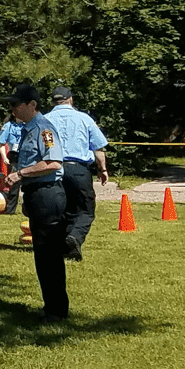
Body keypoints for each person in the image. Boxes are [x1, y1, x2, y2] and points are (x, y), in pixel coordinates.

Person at [1, 84, 69, 322]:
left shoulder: (43, 129)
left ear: (32, 105)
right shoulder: (27, 130)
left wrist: (21, 174)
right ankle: (51, 307)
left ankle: (56, 310)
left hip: (47, 194)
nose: (13, 109)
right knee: (42, 254)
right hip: (37, 194)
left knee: (49, 255)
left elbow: (53, 163)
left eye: (17, 104)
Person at [42, 85, 112, 260]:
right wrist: (102, 169)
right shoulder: (84, 119)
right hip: (78, 170)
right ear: (70, 99)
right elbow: (98, 147)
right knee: (85, 209)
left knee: (61, 209)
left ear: (53, 101)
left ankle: (65, 247)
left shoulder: (45, 120)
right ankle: (74, 237)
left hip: (53, 169)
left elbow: (45, 146)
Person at [0, 113, 24, 214]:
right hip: (14, 155)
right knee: (14, 184)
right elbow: (1, 144)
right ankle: (10, 210)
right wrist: (4, 157)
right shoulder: (8, 126)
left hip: (27, 155)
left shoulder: (29, 125)